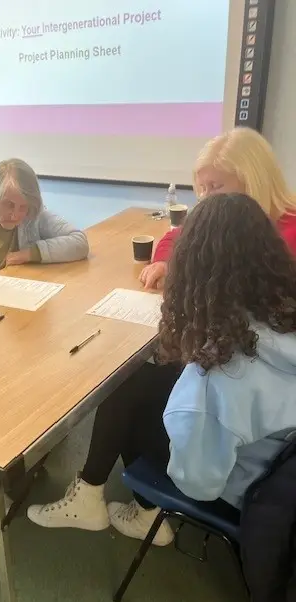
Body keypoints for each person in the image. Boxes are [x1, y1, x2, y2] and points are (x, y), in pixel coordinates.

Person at [27, 193, 296, 550]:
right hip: (277, 463)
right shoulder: (281, 317)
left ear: (190, 273)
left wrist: (178, 418)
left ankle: (140, 512)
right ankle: (92, 492)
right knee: (141, 380)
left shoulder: (216, 378)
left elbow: (198, 483)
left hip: (251, 492)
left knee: (129, 394)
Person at [141, 127, 296, 290]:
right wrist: (164, 263)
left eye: (215, 186)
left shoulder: (288, 237)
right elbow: (176, 237)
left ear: (252, 183)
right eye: (202, 188)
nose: (205, 197)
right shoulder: (225, 219)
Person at [0, 158, 89, 272]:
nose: (15, 216)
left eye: (23, 207)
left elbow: (79, 242)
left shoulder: (33, 214)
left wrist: (29, 254)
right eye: (9, 205)